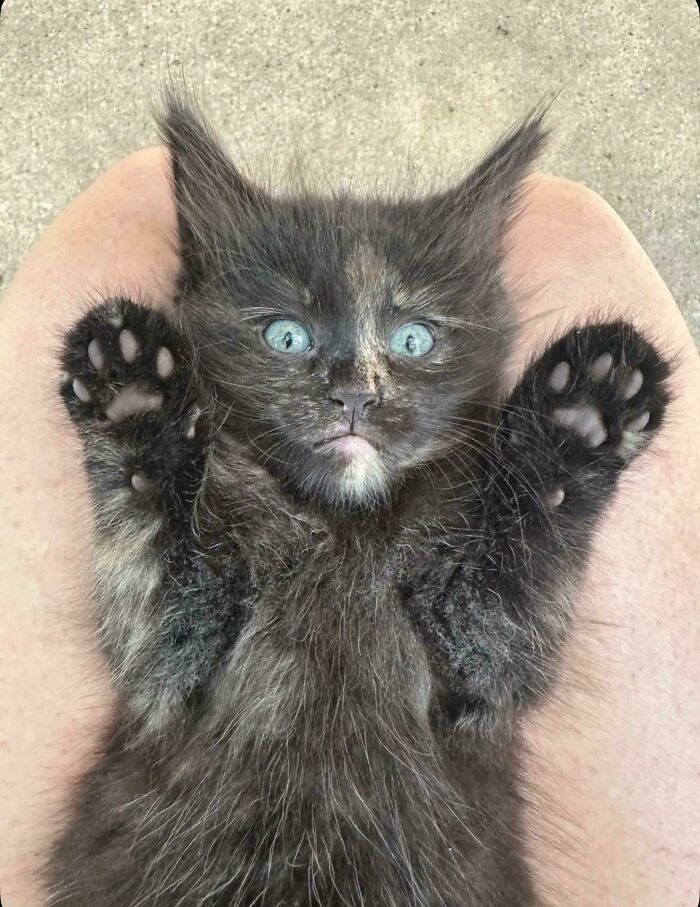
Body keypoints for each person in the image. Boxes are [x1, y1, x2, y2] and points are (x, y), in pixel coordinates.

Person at [0, 148, 697, 907]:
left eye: (414, 340)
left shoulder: (458, 480)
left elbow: (489, 674)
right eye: (289, 338)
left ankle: (541, 489)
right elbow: (167, 663)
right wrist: (156, 478)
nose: (357, 388)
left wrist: (527, 492)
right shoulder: (228, 470)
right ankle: (149, 462)